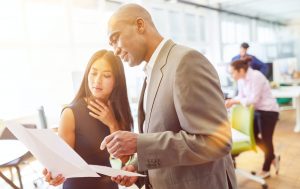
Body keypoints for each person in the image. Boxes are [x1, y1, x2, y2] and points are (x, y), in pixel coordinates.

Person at [100, 4, 237, 189]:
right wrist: (138, 165)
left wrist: (138, 143)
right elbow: (163, 132)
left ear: (140, 25)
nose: (115, 50)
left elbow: (216, 141)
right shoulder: (152, 71)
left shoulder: (186, 62)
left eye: (115, 39)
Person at [42, 50, 133, 189]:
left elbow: (126, 160)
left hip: (108, 185)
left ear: (117, 81)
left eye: (106, 75)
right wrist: (52, 175)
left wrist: (112, 124)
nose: (97, 81)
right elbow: (61, 165)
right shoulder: (70, 113)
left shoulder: (118, 110)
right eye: (94, 73)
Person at [225, 59, 280, 179]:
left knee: (267, 140)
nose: (231, 75)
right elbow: (242, 96)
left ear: (240, 70)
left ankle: (266, 169)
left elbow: (253, 99)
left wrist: (235, 101)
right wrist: (232, 101)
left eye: (232, 72)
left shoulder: (256, 76)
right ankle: (272, 156)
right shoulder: (241, 80)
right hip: (256, 111)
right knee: (253, 137)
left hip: (269, 111)